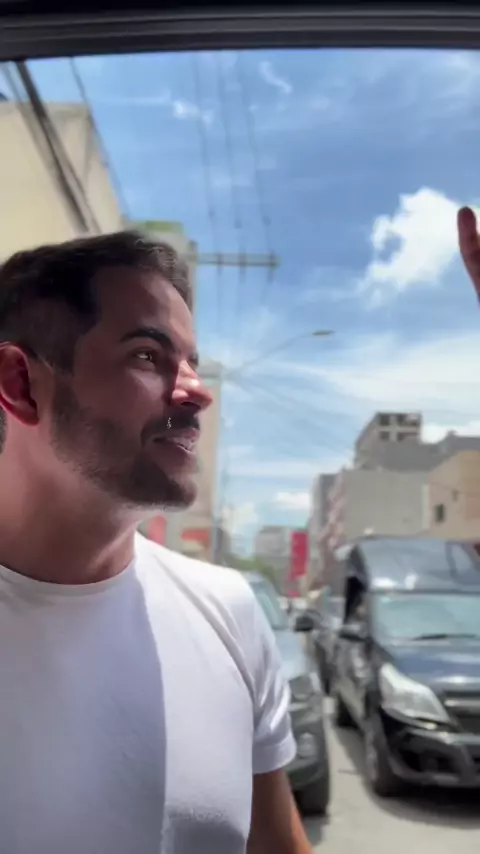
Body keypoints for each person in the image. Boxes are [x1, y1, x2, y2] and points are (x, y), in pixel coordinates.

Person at [0, 232, 313, 854]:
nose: (197, 390)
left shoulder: (228, 610)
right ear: (21, 383)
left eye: (192, 361)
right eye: (148, 356)